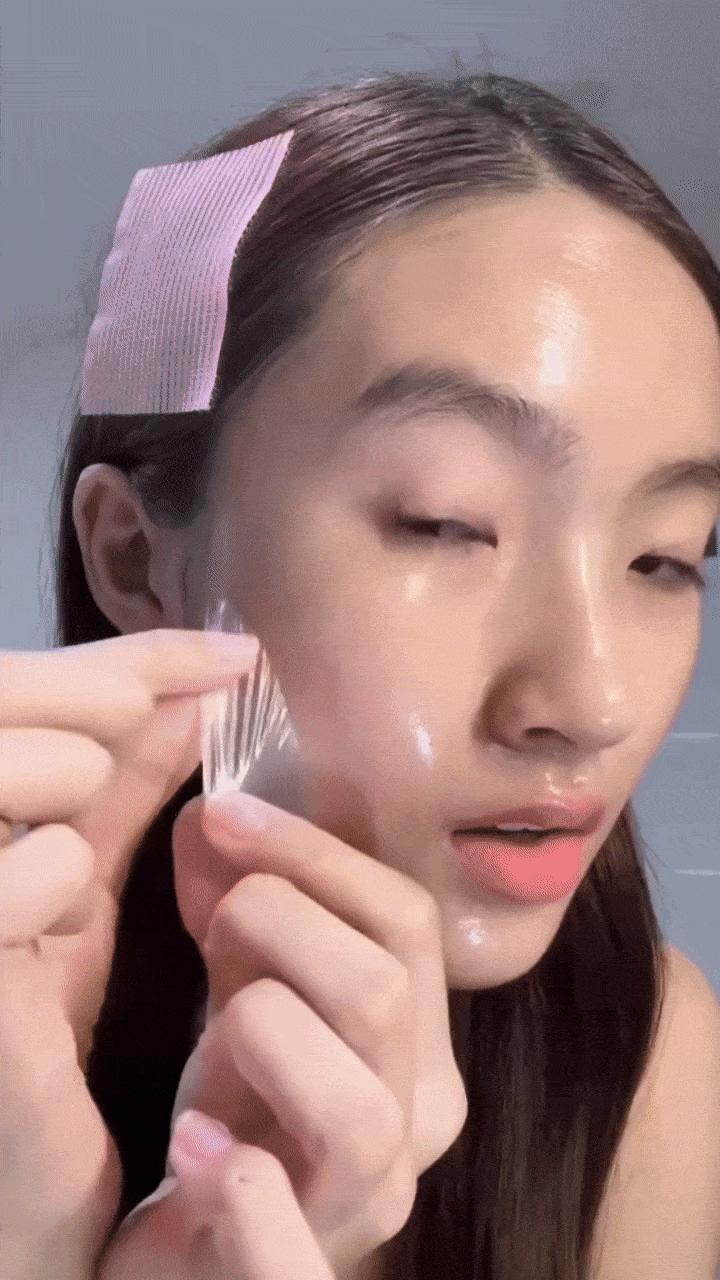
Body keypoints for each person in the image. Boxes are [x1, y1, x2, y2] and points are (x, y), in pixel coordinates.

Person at [2, 68, 720, 1279]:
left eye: (667, 556)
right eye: (446, 522)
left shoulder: (646, 1049)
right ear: (134, 557)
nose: (595, 702)